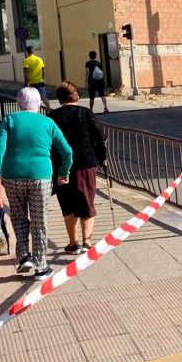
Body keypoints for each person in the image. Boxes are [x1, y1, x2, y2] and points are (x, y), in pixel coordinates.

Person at [0, 87, 72, 280]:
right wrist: (63, 173)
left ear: (19, 104)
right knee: (39, 220)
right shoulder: (48, 122)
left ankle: (24, 256)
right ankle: (41, 267)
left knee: (18, 217)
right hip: (40, 177)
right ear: (38, 104)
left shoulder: (10, 120)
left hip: (12, 176)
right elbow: (67, 152)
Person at [48, 82, 109, 254]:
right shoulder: (86, 113)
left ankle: (73, 243)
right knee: (86, 202)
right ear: (76, 96)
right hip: (85, 163)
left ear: (59, 98)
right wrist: (102, 158)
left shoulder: (51, 116)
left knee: (67, 204)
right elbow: (101, 137)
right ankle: (87, 242)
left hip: (60, 166)